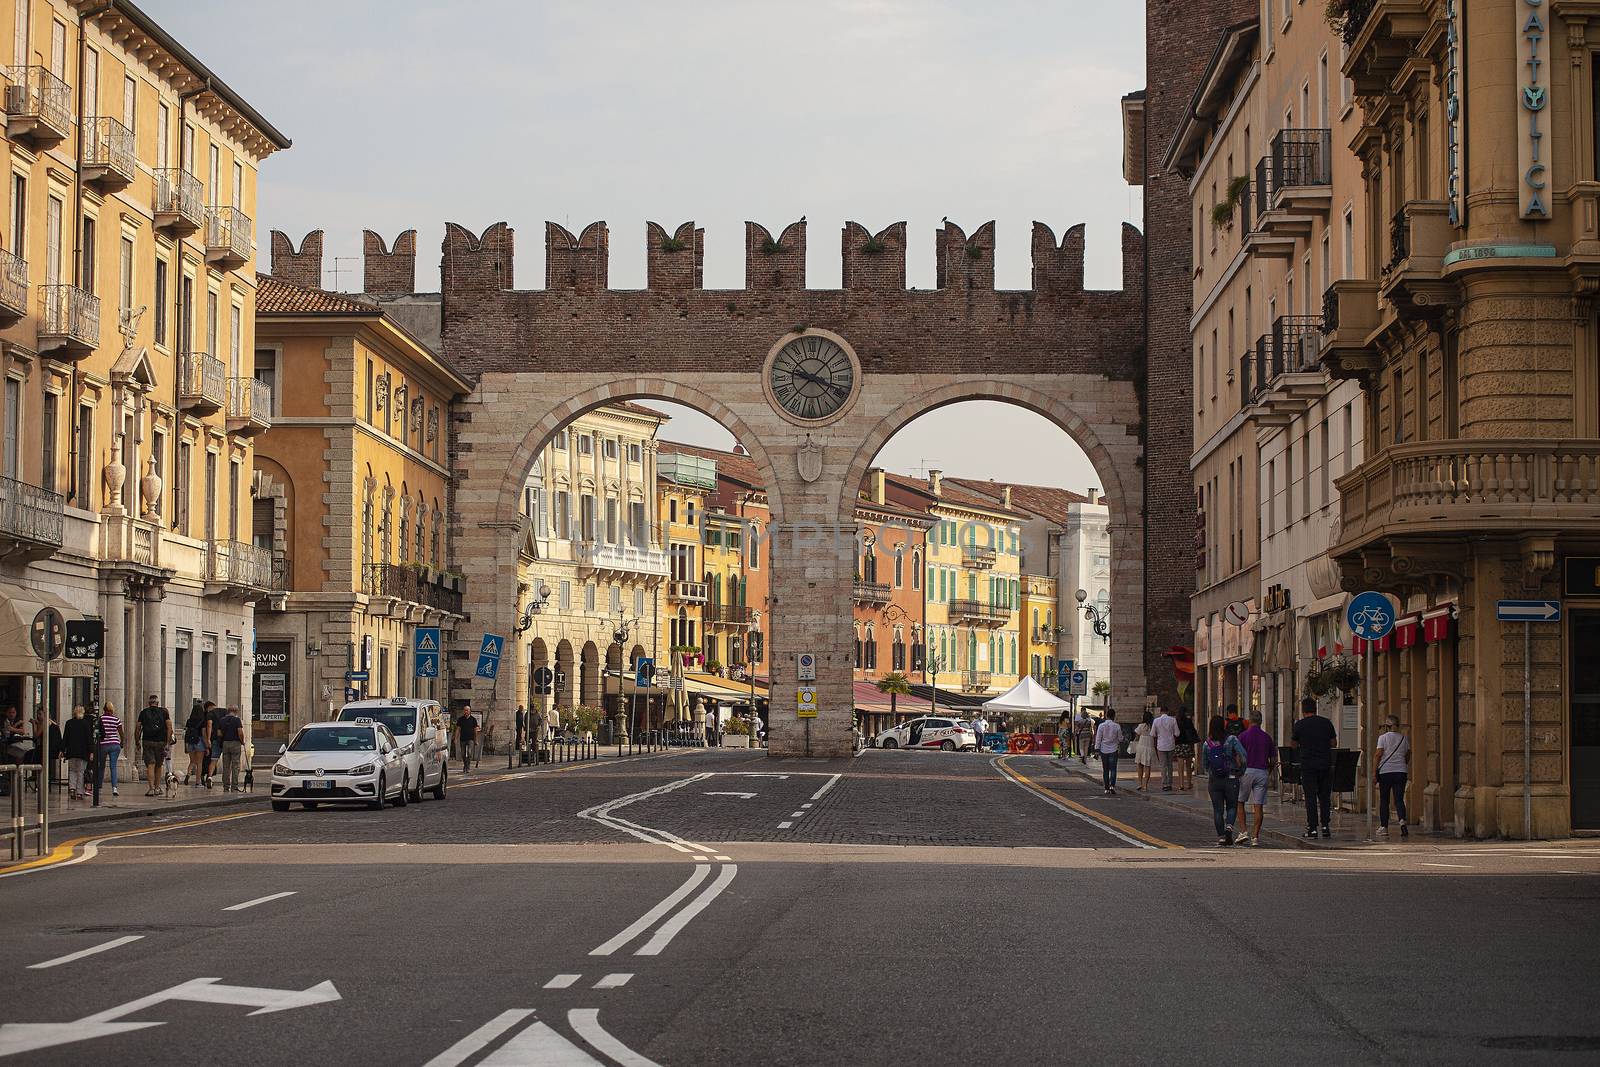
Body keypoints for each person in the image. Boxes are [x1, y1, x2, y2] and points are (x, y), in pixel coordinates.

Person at [1290, 696, 1338, 839]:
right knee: (1324, 797)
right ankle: (1325, 826)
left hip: (1308, 765)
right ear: (1315, 708)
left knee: (1310, 797)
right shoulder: (1326, 723)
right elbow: (1334, 743)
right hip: (1325, 763)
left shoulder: (1299, 725)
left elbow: (1293, 745)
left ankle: (1312, 828)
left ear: (1303, 710)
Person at [1203, 714, 1248, 846]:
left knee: (1217, 810)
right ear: (1224, 725)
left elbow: (1205, 764)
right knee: (1232, 806)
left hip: (1214, 780)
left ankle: (1221, 837)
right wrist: (1241, 771)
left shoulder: (1207, 743)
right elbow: (1244, 755)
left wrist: (1211, 771)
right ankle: (1229, 827)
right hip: (1231, 778)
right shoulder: (1232, 739)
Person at [1234, 710, 1276, 846]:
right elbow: (1273, 759)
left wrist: (1239, 770)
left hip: (1247, 771)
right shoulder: (1267, 737)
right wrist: (1268, 771)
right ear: (1261, 721)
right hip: (1262, 772)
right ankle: (1255, 837)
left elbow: (1238, 757)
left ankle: (1243, 831)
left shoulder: (1242, 736)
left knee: (1240, 801)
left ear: (1249, 721)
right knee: (1258, 806)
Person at [1375, 715, 1410, 839]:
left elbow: (1378, 754)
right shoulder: (1403, 739)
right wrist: (1401, 764)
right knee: (1399, 799)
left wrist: (1375, 772)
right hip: (1401, 771)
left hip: (1386, 772)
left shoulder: (1382, 738)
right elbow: (1407, 755)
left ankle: (1384, 827)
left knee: (1384, 799)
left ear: (1386, 726)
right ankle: (1402, 821)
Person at [134, 695, 171, 798]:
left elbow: (138, 728)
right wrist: (167, 743)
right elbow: (169, 727)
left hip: (147, 741)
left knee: (150, 764)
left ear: (149, 703)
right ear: (157, 703)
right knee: (159, 765)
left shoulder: (144, 712)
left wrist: (137, 741)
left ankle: (151, 788)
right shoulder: (164, 712)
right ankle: (157, 787)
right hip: (161, 741)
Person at [62, 705, 93, 799]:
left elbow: (65, 738)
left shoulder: (69, 723)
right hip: (82, 752)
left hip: (71, 752)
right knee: (80, 772)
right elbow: (89, 739)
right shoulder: (85, 724)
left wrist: (62, 750)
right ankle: (79, 792)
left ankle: (72, 788)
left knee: (72, 770)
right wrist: (91, 751)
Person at [1094, 709, 1124, 795]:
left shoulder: (1101, 726)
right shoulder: (1117, 726)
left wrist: (1097, 749)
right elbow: (1120, 738)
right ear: (1114, 716)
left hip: (1104, 750)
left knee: (1105, 769)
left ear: (1106, 716)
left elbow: (1098, 738)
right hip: (1114, 749)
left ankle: (1106, 788)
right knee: (1113, 769)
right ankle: (1112, 786)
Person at [218, 705, 246, 792]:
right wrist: (242, 741)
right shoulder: (237, 720)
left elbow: (219, 733)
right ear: (236, 711)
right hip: (235, 743)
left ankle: (226, 786)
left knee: (226, 766)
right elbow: (240, 732)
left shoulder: (222, 720)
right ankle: (234, 786)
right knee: (235, 765)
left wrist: (222, 741)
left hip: (225, 743)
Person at [98, 701, 124, 797]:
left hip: (104, 744)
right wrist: (122, 743)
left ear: (104, 709)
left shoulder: (101, 719)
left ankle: (99, 788)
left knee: (101, 766)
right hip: (115, 744)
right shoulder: (116, 719)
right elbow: (121, 733)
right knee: (113, 767)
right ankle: (114, 788)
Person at [1151, 705, 1179, 791]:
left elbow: (1152, 734)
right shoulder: (1173, 720)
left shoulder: (1156, 721)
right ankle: (1170, 783)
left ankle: (1164, 784)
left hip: (1161, 745)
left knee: (1163, 765)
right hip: (1170, 744)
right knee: (1170, 765)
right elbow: (1177, 733)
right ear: (1167, 711)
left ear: (1160, 711)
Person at [182, 699, 208, 785]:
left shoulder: (189, 721)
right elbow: (204, 734)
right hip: (199, 741)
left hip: (190, 742)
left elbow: (186, 732)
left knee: (192, 761)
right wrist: (207, 745)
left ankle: (188, 774)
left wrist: (185, 745)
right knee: (199, 763)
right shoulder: (203, 720)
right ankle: (198, 782)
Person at [1175, 707, 1199, 790]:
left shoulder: (1176, 721)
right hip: (1188, 744)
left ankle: (1181, 784)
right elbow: (1193, 731)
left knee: (1180, 766)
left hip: (1178, 744)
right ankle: (1189, 783)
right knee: (1188, 765)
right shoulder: (1188, 721)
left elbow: (1175, 733)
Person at [202, 700, 225, 788]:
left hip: (215, 739)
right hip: (226, 739)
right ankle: (227, 781)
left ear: (208, 708)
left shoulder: (210, 714)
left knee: (214, 760)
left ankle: (210, 776)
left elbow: (209, 725)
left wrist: (208, 739)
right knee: (227, 762)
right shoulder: (224, 711)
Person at [1132, 710, 1156, 791]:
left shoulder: (1141, 726)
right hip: (1149, 747)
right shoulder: (1153, 726)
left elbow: (1137, 736)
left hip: (1141, 747)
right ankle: (1145, 785)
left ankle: (1140, 783)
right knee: (1147, 766)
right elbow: (1155, 736)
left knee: (1139, 765)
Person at [454, 705, 479, 775]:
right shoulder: (460, 719)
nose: (466, 712)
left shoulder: (473, 719)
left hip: (470, 738)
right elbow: (458, 729)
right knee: (462, 753)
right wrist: (456, 739)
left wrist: (476, 740)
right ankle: (465, 765)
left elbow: (475, 730)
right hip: (463, 739)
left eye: (467, 710)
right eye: (464, 710)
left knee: (469, 752)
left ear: (470, 711)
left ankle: (468, 766)